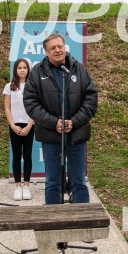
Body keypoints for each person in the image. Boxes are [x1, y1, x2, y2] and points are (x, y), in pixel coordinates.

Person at [24, 33, 97, 204]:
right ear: (46, 51)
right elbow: (30, 103)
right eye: (53, 48)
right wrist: (53, 122)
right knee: (52, 182)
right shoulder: (36, 72)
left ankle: (81, 223)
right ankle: (53, 222)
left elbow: (91, 98)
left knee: (78, 181)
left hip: (76, 134)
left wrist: (75, 121)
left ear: (64, 47)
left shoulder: (78, 69)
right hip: (51, 136)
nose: (57, 50)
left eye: (60, 46)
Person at [3, 58, 35, 201]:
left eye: (24, 67)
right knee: (16, 155)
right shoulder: (9, 86)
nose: (22, 70)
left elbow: (35, 108)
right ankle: (17, 187)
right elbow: (7, 107)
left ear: (28, 70)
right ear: (15, 70)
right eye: (19, 67)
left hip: (29, 125)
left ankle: (26, 186)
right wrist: (12, 125)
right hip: (15, 125)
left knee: (27, 155)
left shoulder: (33, 86)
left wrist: (29, 125)